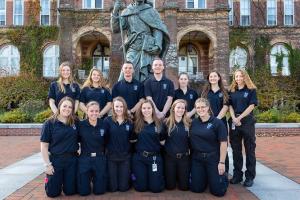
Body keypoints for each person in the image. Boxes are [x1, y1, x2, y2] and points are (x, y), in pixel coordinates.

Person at [111, 0, 170, 81]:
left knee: (147, 77)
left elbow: (157, 29)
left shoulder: (151, 11)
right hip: (133, 47)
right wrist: (115, 11)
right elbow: (116, 28)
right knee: (125, 75)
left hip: (147, 48)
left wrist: (157, 44)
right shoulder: (127, 11)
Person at [40, 97, 78, 198]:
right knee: (52, 193)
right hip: (56, 161)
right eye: (64, 106)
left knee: (70, 191)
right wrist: (47, 165)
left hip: (72, 160)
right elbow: (44, 146)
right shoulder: (49, 123)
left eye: (70, 107)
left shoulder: (75, 122)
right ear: (59, 106)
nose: (67, 109)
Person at [190, 98, 228, 197]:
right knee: (196, 189)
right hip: (197, 159)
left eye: (203, 107)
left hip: (213, 158)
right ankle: (206, 178)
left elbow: (223, 143)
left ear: (208, 107)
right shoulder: (193, 123)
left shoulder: (217, 123)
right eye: (198, 107)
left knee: (218, 192)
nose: (200, 109)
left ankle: (222, 178)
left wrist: (222, 162)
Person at [228, 69, 258, 187]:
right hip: (234, 121)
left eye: (241, 76)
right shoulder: (232, 91)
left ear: (245, 77)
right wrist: (234, 118)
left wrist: (240, 118)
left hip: (247, 121)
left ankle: (249, 177)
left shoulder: (251, 90)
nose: (238, 78)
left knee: (249, 150)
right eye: (236, 76)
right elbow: (229, 105)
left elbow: (252, 106)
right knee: (236, 150)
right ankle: (237, 175)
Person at [131, 99, 165, 192]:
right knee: (141, 188)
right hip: (140, 158)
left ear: (152, 109)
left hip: (154, 158)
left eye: (149, 108)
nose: (146, 110)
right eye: (144, 108)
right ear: (141, 110)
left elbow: (163, 142)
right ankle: (135, 177)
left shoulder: (159, 124)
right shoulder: (136, 124)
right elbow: (132, 141)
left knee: (156, 188)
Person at [104, 97, 135, 192]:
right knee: (112, 188)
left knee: (123, 188)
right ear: (113, 107)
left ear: (124, 108)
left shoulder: (129, 122)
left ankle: (130, 178)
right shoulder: (107, 121)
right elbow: (104, 139)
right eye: (116, 106)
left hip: (125, 157)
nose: (119, 109)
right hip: (111, 157)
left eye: (121, 106)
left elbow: (132, 140)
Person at [201, 70, 229, 173]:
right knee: (210, 145)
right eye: (210, 77)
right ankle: (211, 170)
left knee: (222, 145)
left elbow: (226, 106)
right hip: (207, 123)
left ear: (219, 78)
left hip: (220, 122)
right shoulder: (205, 92)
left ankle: (224, 171)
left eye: (215, 76)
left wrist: (216, 120)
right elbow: (202, 108)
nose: (212, 78)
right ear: (208, 79)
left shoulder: (224, 91)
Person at [77, 101, 107, 195]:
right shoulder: (81, 125)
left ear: (99, 112)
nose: (94, 113)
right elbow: (76, 140)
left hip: (99, 158)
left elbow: (107, 141)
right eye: (91, 111)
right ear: (87, 111)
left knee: (99, 191)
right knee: (83, 192)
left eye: (96, 111)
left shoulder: (104, 124)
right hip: (85, 158)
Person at [162, 99, 191, 190]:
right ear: (173, 108)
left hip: (184, 158)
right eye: (178, 107)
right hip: (170, 158)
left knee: (184, 187)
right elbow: (161, 141)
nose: (180, 110)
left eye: (183, 108)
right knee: (170, 187)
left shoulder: (189, 123)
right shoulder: (166, 122)